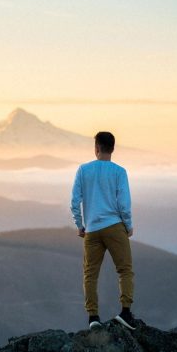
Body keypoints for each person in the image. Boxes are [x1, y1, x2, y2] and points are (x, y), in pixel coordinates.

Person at [70, 131, 136, 330]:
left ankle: (93, 317)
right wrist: (128, 225)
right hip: (114, 226)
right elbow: (124, 204)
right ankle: (125, 312)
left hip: (91, 229)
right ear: (113, 149)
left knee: (90, 274)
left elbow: (74, 202)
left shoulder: (83, 170)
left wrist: (80, 225)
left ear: (96, 148)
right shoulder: (119, 172)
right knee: (124, 270)